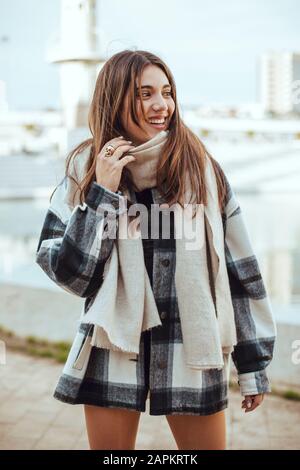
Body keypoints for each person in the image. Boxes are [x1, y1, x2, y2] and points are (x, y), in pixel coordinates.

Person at [35, 49, 276, 450]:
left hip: (192, 346)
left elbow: (241, 272)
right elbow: (69, 274)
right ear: (116, 99)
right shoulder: (86, 168)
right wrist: (102, 193)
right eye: (145, 93)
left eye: (166, 92)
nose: (161, 104)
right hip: (111, 347)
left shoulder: (202, 170)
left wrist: (252, 366)